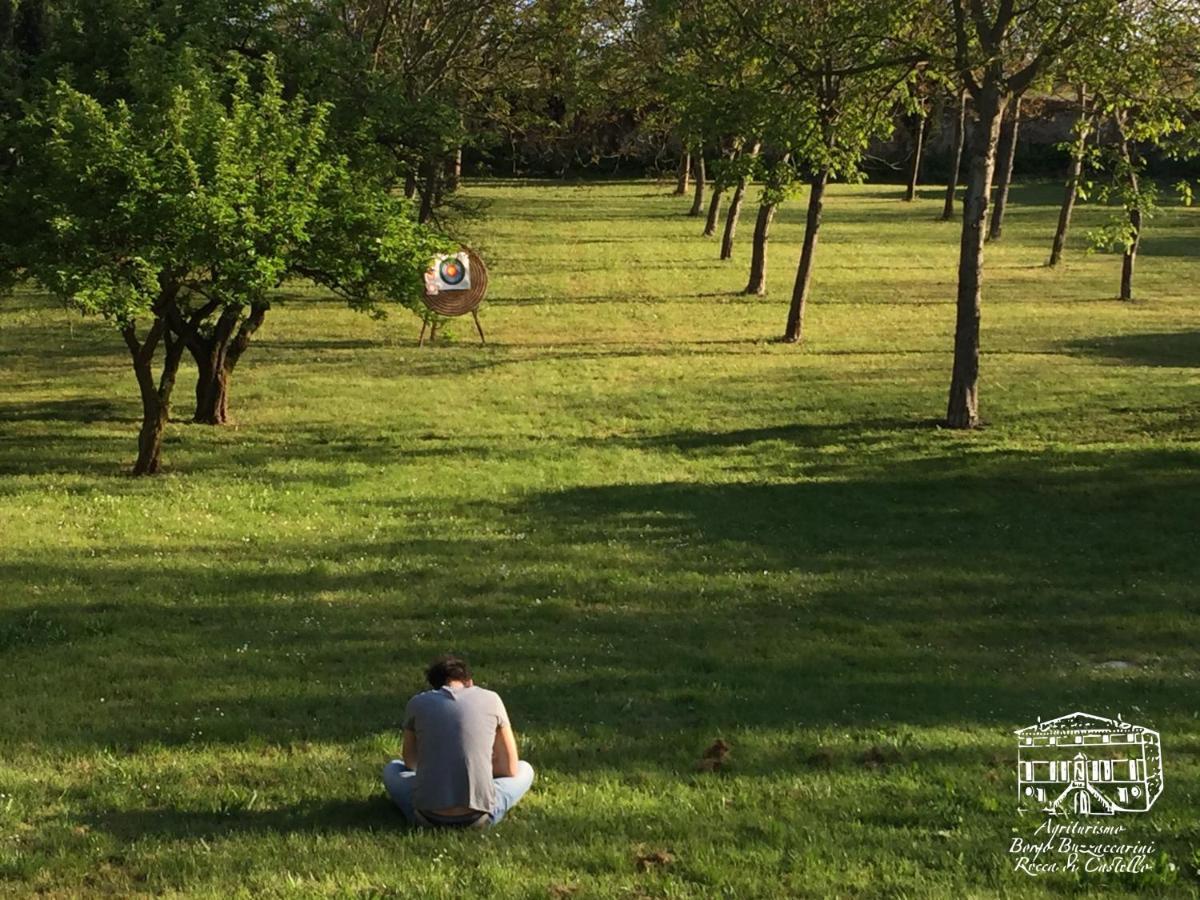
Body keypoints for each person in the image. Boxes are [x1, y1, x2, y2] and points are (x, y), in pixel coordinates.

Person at [382, 654, 534, 828]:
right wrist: (477, 767)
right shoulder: (492, 699)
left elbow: (411, 763)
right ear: (469, 681)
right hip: (479, 817)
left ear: (435, 686)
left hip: (427, 815)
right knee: (525, 769)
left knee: (393, 768)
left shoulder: (417, 703)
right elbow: (510, 768)